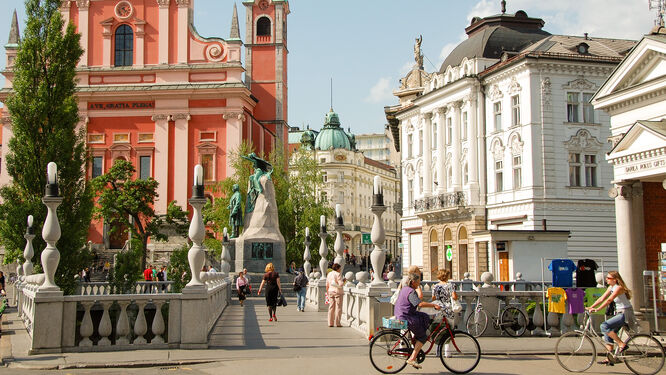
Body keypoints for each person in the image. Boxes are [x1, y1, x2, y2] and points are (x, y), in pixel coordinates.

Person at [586, 270, 634, 365]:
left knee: (604, 326)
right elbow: (602, 298)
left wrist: (597, 309)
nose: (606, 280)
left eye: (608, 278)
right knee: (608, 333)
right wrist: (592, 307)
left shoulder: (619, 288)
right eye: (606, 278)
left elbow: (609, 300)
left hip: (625, 313)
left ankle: (621, 344)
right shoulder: (611, 287)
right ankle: (610, 358)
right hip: (619, 313)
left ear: (615, 280)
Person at [394, 271, 441, 369]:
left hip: (401, 313)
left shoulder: (405, 289)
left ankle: (415, 340)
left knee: (424, 316)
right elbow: (419, 304)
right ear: (413, 282)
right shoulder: (411, 292)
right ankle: (412, 358)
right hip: (406, 316)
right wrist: (434, 305)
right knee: (423, 337)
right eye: (418, 281)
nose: (419, 283)